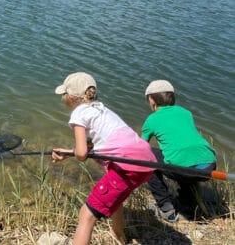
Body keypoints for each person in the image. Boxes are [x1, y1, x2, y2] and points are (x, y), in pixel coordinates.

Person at [52, 72, 155, 245]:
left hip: (127, 166)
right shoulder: (101, 109)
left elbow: (82, 154)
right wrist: (69, 153)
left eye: (64, 94)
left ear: (70, 97)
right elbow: (93, 146)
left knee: (86, 215)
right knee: (117, 199)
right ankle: (120, 237)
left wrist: (76, 153)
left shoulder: (78, 114)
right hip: (146, 162)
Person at [142, 79, 216, 221]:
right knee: (181, 157)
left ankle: (166, 208)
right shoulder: (185, 112)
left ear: (151, 99)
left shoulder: (152, 120)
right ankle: (187, 204)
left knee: (146, 157)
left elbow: (140, 147)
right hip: (209, 164)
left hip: (184, 169)